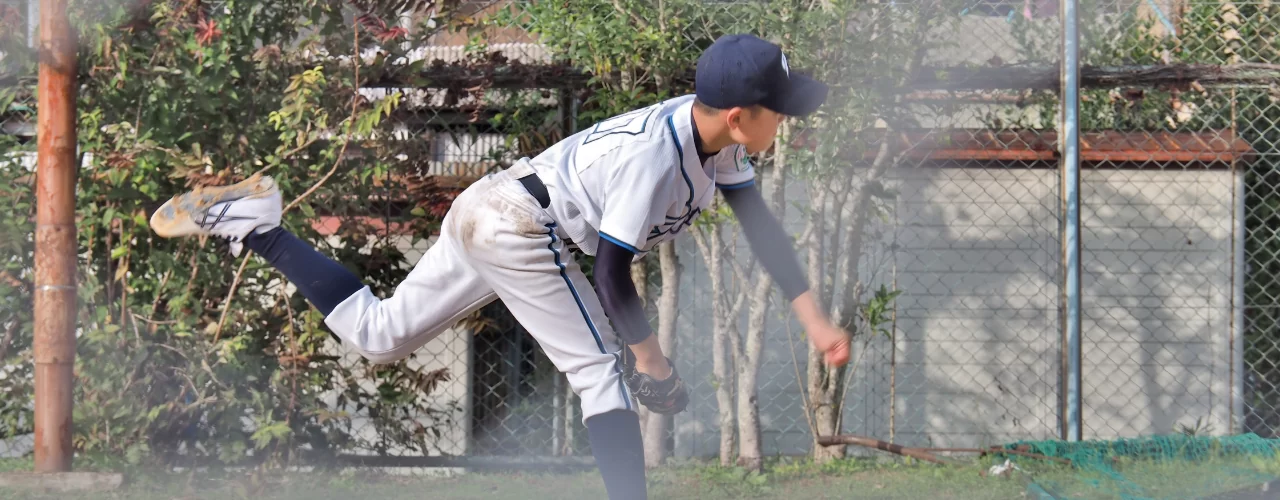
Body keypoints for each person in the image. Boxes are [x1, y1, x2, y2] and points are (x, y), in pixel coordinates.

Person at [150, 33, 851, 500]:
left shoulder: (721, 144)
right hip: (518, 224)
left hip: (494, 209)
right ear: (737, 113)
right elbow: (610, 276)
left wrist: (816, 324)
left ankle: (260, 227)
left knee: (378, 335)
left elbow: (763, 231)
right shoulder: (653, 158)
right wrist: (655, 363)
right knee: (601, 371)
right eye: (778, 110)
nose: (785, 119)